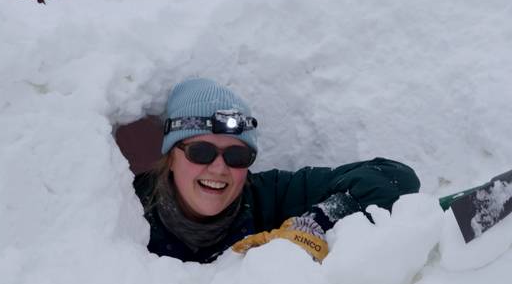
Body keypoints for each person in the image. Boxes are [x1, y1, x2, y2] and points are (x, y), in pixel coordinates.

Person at [133, 78, 420, 264]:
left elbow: (395, 180)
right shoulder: (125, 209)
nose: (219, 167)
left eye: (237, 155)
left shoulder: (269, 197)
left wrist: (318, 222)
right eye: (201, 152)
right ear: (171, 157)